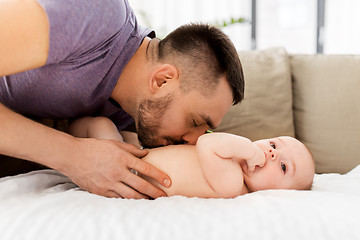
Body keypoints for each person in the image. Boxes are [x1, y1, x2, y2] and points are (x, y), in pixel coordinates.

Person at [0, 0, 244, 199]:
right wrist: (72, 155)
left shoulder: (125, 112)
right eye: (194, 121)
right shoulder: (96, 14)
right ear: (162, 80)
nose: (194, 142)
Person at [70, 117, 315, 198]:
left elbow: (208, 143)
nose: (272, 153)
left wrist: (250, 150)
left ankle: (64, 142)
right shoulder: (233, 161)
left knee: (99, 126)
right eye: (274, 144)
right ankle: (66, 135)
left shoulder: (233, 185)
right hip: (138, 156)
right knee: (102, 126)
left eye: (283, 166)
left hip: (125, 176)